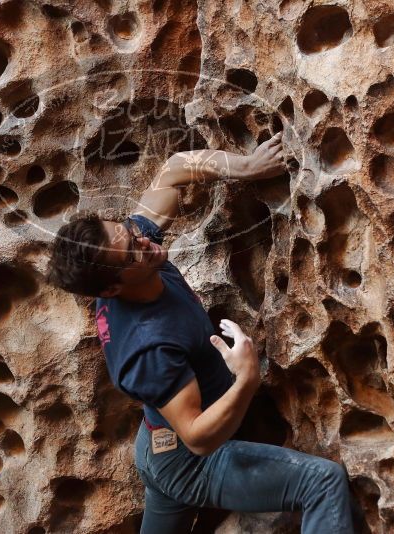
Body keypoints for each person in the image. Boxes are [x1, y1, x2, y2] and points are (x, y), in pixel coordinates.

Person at [47, 132, 354, 534]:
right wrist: (245, 379)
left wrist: (245, 167)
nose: (145, 240)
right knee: (322, 482)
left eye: (130, 231)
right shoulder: (148, 349)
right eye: (132, 252)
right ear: (111, 289)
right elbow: (197, 438)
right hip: (189, 463)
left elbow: (174, 169)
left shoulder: (138, 253)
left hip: (156, 445)